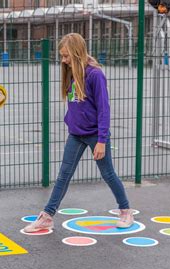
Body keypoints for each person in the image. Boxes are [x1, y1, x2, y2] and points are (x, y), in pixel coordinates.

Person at [24, 33, 134, 232]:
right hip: (76, 134)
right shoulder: (72, 72)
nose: (63, 61)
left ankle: (126, 211)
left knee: (108, 173)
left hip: (95, 134)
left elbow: (104, 109)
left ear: (77, 53)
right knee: (63, 175)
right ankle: (47, 216)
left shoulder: (95, 74)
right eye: (62, 56)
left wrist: (101, 140)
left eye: (66, 56)